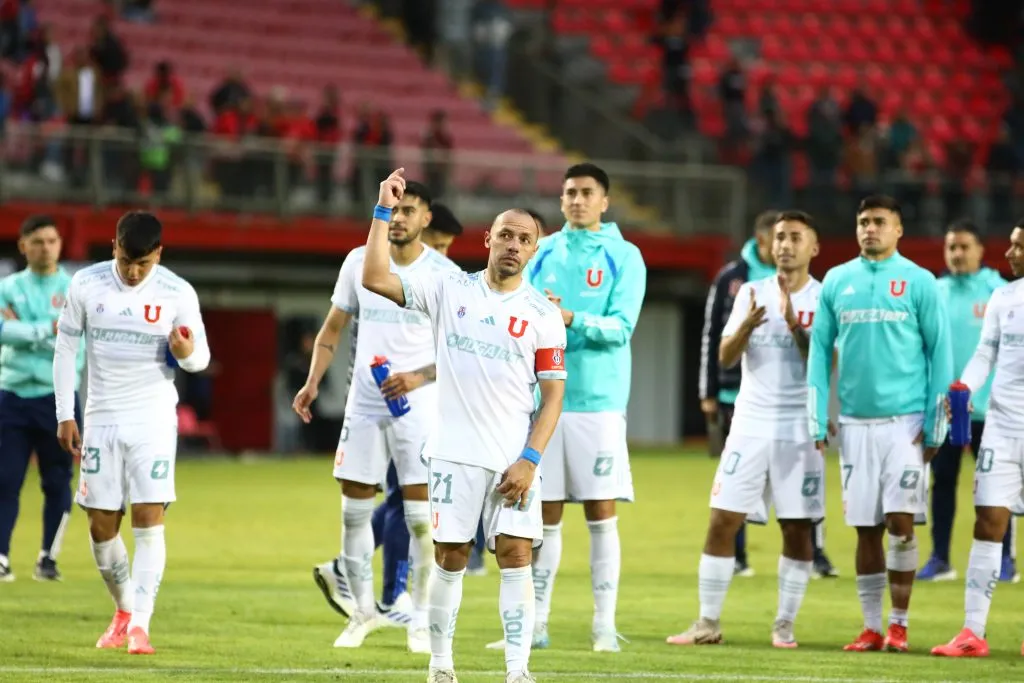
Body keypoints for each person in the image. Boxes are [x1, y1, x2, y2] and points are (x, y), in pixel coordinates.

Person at [362, 168, 566, 683]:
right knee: (450, 555)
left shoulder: (542, 314)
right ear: (488, 239)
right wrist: (383, 211)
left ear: (534, 250)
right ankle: (440, 667)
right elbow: (375, 278)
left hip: (513, 460)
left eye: (525, 239)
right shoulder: (448, 287)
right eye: (506, 235)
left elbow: (554, 395)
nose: (514, 245)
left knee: (516, 555)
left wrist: (530, 459)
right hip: (454, 453)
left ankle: (518, 671)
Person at [299, 181, 457, 653]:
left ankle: (421, 617)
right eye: (393, 209)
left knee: (421, 520)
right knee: (353, 511)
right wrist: (311, 383)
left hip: (418, 404)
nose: (401, 218)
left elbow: (456, 351)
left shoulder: (444, 275)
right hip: (365, 403)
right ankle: (362, 613)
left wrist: (418, 376)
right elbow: (331, 331)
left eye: (409, 210)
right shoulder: (357, 262)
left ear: (427, 218)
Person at [53, 211, 211, 654]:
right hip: (101, 418)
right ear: (113, 248)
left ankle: (141, 624)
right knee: (102, 526)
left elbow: (200, 359)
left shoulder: (178, 292)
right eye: (126, 261)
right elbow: (66, 348)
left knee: (147, 516)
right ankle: (124, 610)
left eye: (143, 263)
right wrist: (66, 413)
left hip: (154, 420)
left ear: (158, 254)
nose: (133, 271)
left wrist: (185, 353)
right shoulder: (86, 283)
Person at [667, 211, 824, 649]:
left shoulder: (824, 297)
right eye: (780, 237)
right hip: (750, 423)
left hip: (798, 426)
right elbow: (725, 357)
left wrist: (795, 325)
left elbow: (826, 364)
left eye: (795, 237)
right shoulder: (750, 292)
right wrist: (748, 328)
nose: (785, 245)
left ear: (814, 247)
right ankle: (707, 623)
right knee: (722, 520)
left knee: (797, 527)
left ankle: (784, 625)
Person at [807, 195, 953, 653]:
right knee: (865, 527)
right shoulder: (837, 280)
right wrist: (816, 415)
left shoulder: (919, 282)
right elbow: (817, 353)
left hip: (904, 422)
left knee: (900, 521)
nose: (870, 229)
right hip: (853, 423)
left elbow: (940, 353)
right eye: (864, 222)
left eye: (879, 222)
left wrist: (936, 422)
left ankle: (900, 625)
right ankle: (871, 627)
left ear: (898, 229)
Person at [520, 163, 647, 652]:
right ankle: (537, 624)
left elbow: (623, 327)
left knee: (600, 512)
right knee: (544, 516)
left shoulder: (624, 256)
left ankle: (603, 625)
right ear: (560, 199)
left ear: (604, 201)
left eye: (586, 193)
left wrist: (570, 317)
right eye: (570, 192)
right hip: (545, 399)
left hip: (598, 402)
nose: (576, 200)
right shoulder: (544, 250)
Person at [931, 222, 1024, 657]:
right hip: (1002, 428)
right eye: (1010, 243)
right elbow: (986, 352)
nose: (1009, 253)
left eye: (1019, 246)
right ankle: (972, 632)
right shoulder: (1004, 298)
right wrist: (964, 386)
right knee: (988, 521)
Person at [918, 220, 1016, 582]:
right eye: (951, 248)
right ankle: (940, 558)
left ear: (980, 251)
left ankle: (1005, 559)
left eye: (964, 247)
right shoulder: (934, 292)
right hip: (944, 410)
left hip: (992, 409)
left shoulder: (1000, 291)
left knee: (996, 486)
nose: (957, 254)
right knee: (941, 482)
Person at [0, 215, 84, 582]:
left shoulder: (77, 288)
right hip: (12, 395)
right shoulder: (8, 287)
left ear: (60, 244)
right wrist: (47, 329)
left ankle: (48, 558)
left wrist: (20, 329)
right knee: (5, 479)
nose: (45, 247)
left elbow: (75, 340)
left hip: (59, 399)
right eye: (37, 241)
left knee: (57, 481)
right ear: (23, 246)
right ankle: (1, 557)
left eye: (51, 241)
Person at [699, 210, 776, 577]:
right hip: (736, 396)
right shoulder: (733, 278)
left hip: (786, 400)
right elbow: (711, 335)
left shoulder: (801, 283)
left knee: (798, 481)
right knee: (738, 478)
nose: (784, 247)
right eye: (777, 239)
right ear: (762, 241)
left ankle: (816, 554)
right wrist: (708, 391)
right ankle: (739, 555)